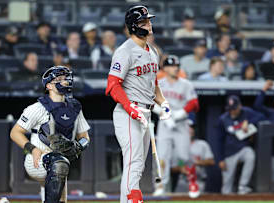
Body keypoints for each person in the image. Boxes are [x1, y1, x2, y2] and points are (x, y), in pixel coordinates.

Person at [105, 5, 171, 203]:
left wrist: (163, 102)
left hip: (146, 112)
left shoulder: (152, 51)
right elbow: (112, 86)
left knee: (138, 166)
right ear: (133, 26)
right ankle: (133, 200)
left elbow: (154, 83)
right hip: (128, 112)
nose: (149, 25)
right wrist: (130, 108)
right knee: (133, 162)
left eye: (149, 21)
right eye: (144, 22)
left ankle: (127, 200)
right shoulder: (125, 51)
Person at [10, 66, 90, 203]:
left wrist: (78, 146)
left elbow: (85, 138)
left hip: (60, 162)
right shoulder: (37, 108)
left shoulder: (75, 108)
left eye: (65, 79)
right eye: (59, 79)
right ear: (49, 86)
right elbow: (15, 132)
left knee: (60, 197)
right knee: (59, 164)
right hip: (38, 159)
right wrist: (32, 149)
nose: (64, 82)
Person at [152, 55, 199, 196]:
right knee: (161, 156)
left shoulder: (186, 84)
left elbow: (194, 103)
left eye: (177, 65)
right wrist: (163, 114)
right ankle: (160, 186)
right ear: (165, 68)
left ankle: (192, 182)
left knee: (184, 156)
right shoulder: (158, 84)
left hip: (180, 123)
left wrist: (181, 113)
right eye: (172, 66)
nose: (175, 68)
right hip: (164, 124)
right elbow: (149, 101)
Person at [216, 95, 264, 194]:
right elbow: (219, 140)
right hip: (229, 152)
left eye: (234, 109)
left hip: (242, 148)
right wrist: (220, 159)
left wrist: (249, 122)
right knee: (226, 186)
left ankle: (243, 186)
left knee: (250, 155)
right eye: (230, 109)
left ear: (239, 106)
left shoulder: (247, 112)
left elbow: (262, 117)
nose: (232, 111)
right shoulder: (223, 119)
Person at [171, 126, 214, 194]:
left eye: (191, 128)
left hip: (198, 180)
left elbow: (211, 161)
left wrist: (197, 162)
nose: (189, 130)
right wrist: (181, 168)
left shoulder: (202, 144)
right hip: (183, 181)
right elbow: (172, 168)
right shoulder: (177, 146)